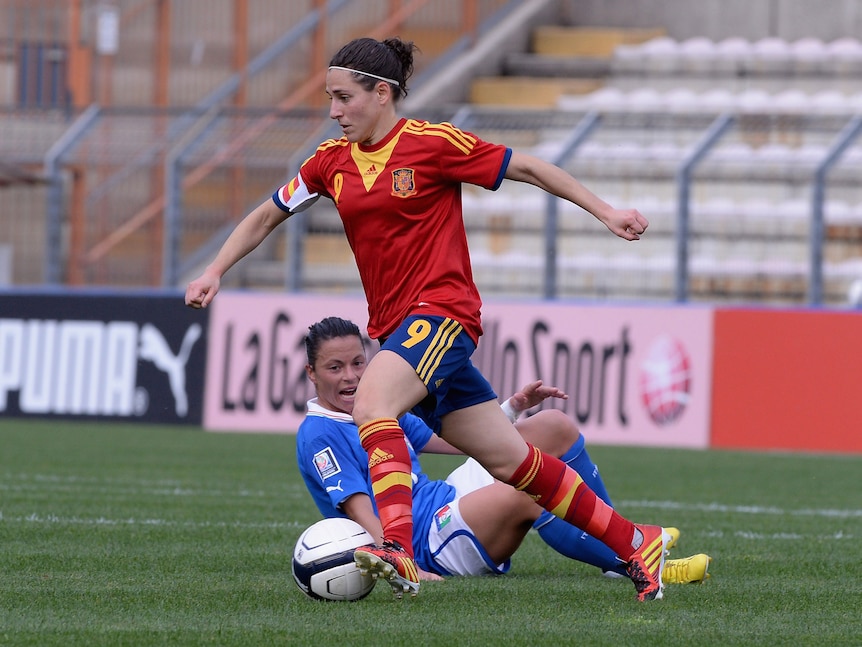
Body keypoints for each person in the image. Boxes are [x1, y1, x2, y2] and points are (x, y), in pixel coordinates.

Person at [186, 36, 670, 602]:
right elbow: (268, 214)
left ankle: (397, 548)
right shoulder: (329, 163)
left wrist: (606, 211)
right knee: (514, 462)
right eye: (330, 99)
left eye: (343, 98)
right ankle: (638, 542)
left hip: (442, 312)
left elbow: (530, 168)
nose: (334, 111)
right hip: (399, 329)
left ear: (382, 93)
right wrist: (216, 268)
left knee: (371, 404)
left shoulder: (431, 143)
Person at [297, 316, 712, 586]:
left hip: (446, 498)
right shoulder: (319, 435)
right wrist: (404, 561)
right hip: (426, 541)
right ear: (311, 374)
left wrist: (511, 410)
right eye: (336, 368)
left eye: (358, 363)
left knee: (553, 428)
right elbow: (358, 510)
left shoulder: (379, 403)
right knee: (528, 489)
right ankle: (636, 556)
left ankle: (624, 538)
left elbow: (454, 440)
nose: (351, 377)